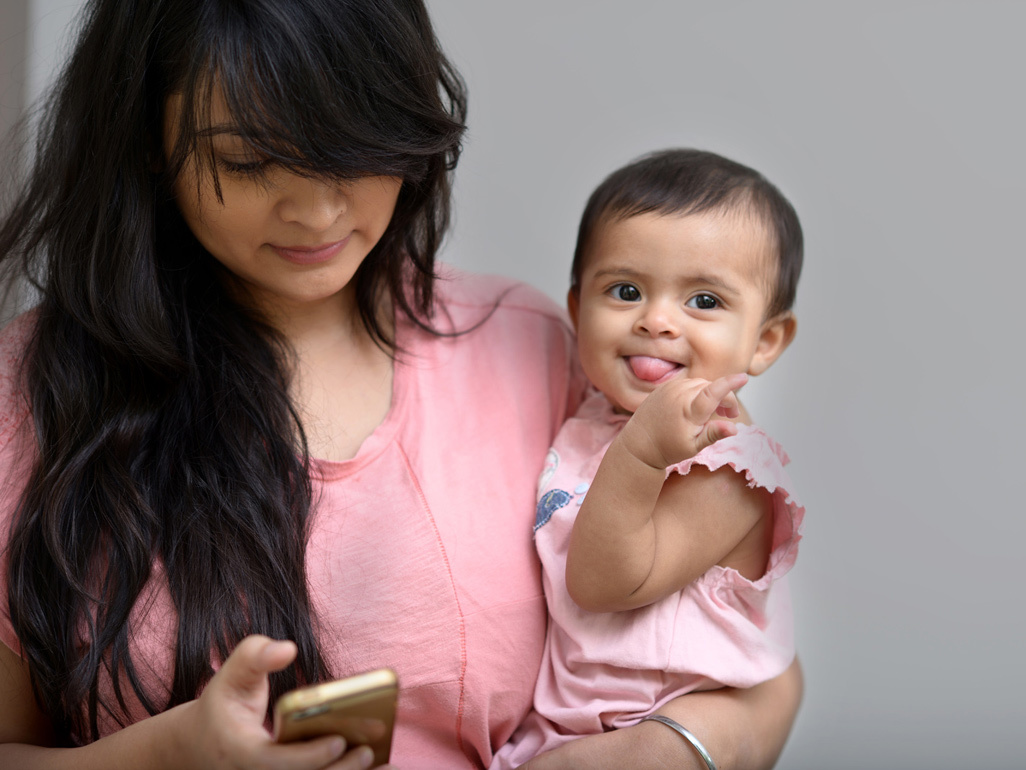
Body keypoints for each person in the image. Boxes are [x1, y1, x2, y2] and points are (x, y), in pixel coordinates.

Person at [0, 1, 802, 767]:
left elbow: (752, 676)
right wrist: (167, 758)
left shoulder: (535, 350)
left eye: (352, 148)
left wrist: (668, 750)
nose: (315, 212)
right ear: (147, 136)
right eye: (248, 159)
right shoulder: (31, 394)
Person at [496, 149, 804, 770]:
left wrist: (639, 453)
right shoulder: (593, 414)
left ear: (764, 341)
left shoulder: (729, 466)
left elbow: (607, 583)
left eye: (705, 302)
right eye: (626, 290)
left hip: (646, 735)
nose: (657, 321)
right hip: (567, 727)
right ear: (578, 310)